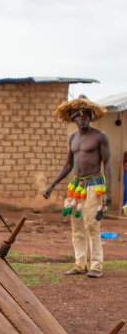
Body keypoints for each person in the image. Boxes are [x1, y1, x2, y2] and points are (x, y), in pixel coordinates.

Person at [43, 95, 111, 278]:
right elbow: (68, 165)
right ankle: (80, 264)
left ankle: (96, 264)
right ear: (72, 117)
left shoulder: (99, 136)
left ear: (89, 116)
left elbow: (108, 164)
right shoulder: (73, 138)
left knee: (92, 225)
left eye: (84, 114)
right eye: (77, 115)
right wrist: (52, 185)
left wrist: (108, 192)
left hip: (94, 185)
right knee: (77, 226)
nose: (81, 118)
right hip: (76, 188)